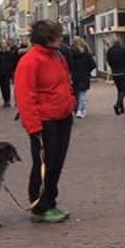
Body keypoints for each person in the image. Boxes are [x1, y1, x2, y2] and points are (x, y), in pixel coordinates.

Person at [13, 20, 76, 224]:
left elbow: (65, 81)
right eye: (57, 35)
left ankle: (50, 201)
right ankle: (39, 206)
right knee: (43, 164)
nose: (61, 38)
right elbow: (24, 96)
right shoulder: (30, 61)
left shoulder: (57, 56)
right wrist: (34, 127)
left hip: (62, 117)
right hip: (44, 121)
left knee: (56, 163)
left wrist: (70, 102)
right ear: (47, 38)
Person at [70, 38, 96, 119]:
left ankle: (77, 109)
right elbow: (92, 64)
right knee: (82, 94)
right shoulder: (87, 53)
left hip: (74, 75)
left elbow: (69, 64)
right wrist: (87, 70)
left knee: (76, 93)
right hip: (84, 75)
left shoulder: (71, 52)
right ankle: (81, 110)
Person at [106, 39, 125, 115]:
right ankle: (117, 104)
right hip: (123, 72)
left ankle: (121, 107)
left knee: (119, 90)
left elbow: (108, 60)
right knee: (123, 90)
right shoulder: (123, 50)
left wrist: (113, 67)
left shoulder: (110, 50)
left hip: (115, 72)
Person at [0, 40, 19, 108]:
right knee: (2, 86)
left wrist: (12, 69)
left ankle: (7, 100)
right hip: (0, 71)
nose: (3, 45)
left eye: (4, 44)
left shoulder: (10, 53)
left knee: (7, 85)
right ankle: (5, 99)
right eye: (2, 44)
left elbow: (13, 61)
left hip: (8, 71)